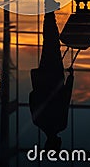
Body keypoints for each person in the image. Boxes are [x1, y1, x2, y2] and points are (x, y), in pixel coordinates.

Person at [29, 12, 74, 150]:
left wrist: (70, 79)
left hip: (56, 79)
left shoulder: (61, 124)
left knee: (53, 46)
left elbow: (65, 98)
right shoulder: (38, 121)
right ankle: (49, 18)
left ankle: (50, 17)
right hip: (43, 78)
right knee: (48, 46)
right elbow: (32, 97)